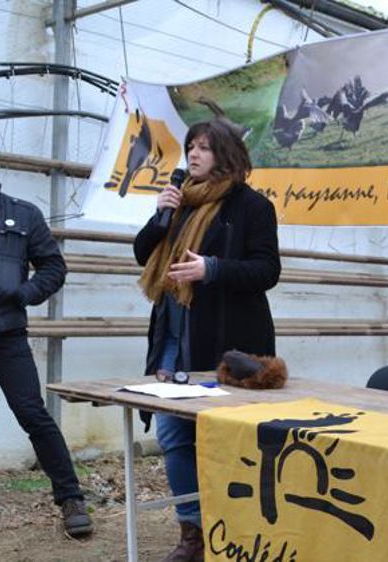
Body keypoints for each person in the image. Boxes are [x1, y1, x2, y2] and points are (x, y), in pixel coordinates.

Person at [133, 119, 280, 562]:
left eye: (204, 148)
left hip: (224, 346)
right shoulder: (179, 202)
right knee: (174, 438)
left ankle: (232, 531)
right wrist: (161, 217)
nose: (193, 155)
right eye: (190, 147)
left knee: (222, 443)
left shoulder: (252, 207)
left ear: (227, 155)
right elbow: (144, 255)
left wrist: (211, 269)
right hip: (173, 340)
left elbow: (267, 271)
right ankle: (193, 534)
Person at [0, 129, 93, 538]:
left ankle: (70, 498)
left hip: (6, 332)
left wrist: (25, 293)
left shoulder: (23, 213)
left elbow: (54, 266)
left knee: (33, 413)